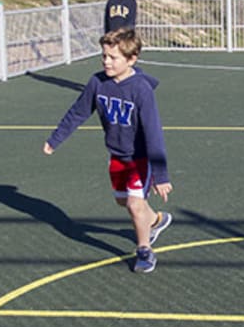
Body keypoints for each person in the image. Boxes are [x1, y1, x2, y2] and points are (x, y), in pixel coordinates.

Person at [43, 28, 172, 273]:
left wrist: (161, 174)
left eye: (113, 58)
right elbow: (78, 112)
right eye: (104, 56)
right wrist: (56, 138)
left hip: (140, 158)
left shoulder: (141, 90)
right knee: (123, 202)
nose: (106, 62)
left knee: (135, 205)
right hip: (117, 155)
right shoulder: (97, 83)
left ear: (131, 59)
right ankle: (156, 220)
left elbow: (154, 131)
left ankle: (144, 250)